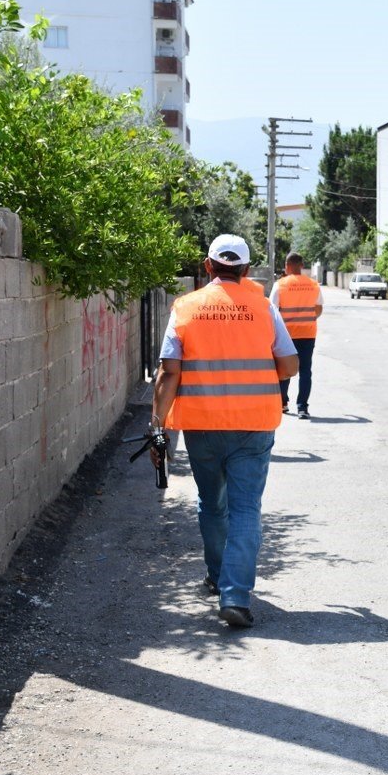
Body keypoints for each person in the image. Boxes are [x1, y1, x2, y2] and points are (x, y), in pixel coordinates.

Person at [151, 234, 298, 628]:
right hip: (253, 424)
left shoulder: (186, 307)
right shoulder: (263, 307)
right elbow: (289, 366)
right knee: (246, 508)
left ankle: (217, 577)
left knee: (212, 504)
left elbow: (169, 372)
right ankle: (235, 596)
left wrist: (157, 427)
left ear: (207, 266)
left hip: (201, 425)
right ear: (247, 270)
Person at [270, 252, 323, 419]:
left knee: (284, 368)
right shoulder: (313, 284)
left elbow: (272, 310)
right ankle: (302, 407)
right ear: (302, 266)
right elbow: (319, 308)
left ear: (286, 266)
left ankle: (283, 403)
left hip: (286, 334)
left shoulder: (281, 285)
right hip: (308, 332)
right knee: (305, 370)